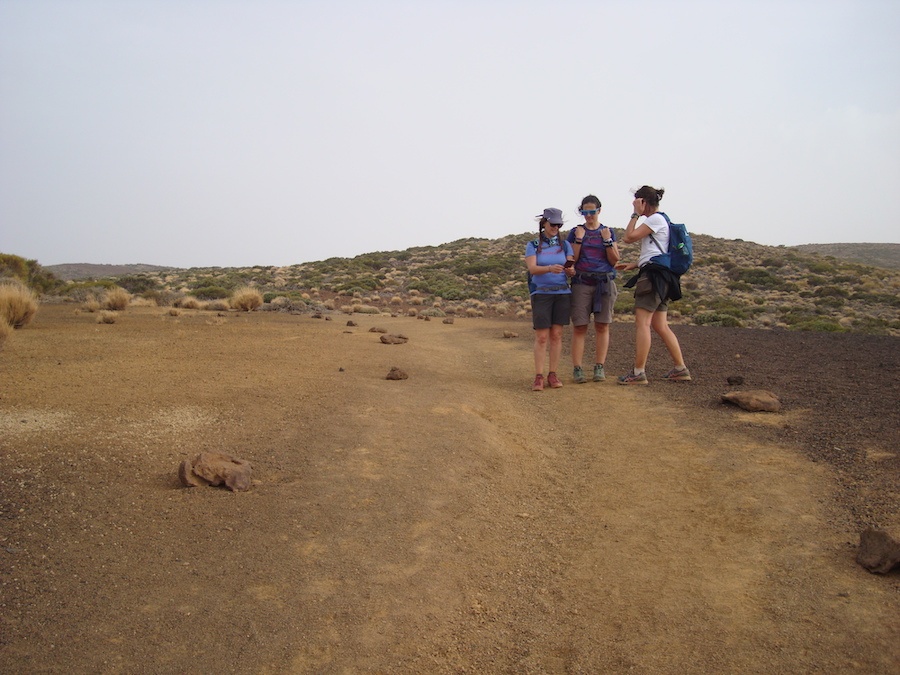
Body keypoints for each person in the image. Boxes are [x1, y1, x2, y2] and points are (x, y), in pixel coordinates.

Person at [614, 185, 691, 384]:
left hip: (654, 277)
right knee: (660, 324)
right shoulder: (661, 220)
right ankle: (680, 368)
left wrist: (634, 214)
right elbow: (656, 252)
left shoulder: (655, 219)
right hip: (663, 277)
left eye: (637, 202)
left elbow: (629, 237)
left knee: (643, 323)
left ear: (644, 202)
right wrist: (635, 264)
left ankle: (638, 372)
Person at [566, 194, 620, 383]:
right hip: (582, 282)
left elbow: (615, 260)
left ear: (599, 211)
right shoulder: (575, 232)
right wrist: (579, 240)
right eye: (585, 212)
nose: (588, 215)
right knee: (580, 326)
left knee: (602, 325)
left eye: (592, 212)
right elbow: (572, 258)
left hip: (604, 283)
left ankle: (599, 367)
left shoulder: (608, 231)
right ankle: (578, 368)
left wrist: (606, 241)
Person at [525, 208, 575, 391]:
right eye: (553, 224)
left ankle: (552, 374)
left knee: (557, 335)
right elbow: (533, 269)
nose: (556, 227)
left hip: (562, 293)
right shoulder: (533, 244)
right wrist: (548, 269)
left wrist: (570, 270)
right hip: (541, 293)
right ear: (544, 223)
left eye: (559, 225)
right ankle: (538, 376)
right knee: (542, 336)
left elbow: (571, 267)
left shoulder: (565, 245)